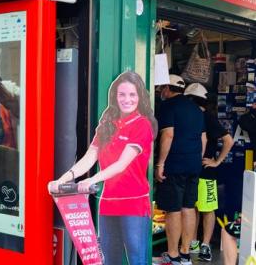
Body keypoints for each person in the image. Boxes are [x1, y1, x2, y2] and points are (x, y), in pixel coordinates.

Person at [48, 71, 157, 265]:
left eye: (132, 95)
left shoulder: (142, 125)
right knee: (108, 260)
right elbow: (89, 157)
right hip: (108, 204)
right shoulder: (107, 123)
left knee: (136, 260)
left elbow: (122, 164)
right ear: (115, 96)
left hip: (134, 205)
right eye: (122, 94)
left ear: (140, 97)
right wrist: (63, 179)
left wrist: (91, 180)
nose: (127, 99)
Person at [155, 74, 206, 265]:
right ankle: (186, 254)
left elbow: (168, 135)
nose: (161, 92)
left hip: (175, 164)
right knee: (188, 206)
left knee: (173, 209)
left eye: (162, 88)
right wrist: (196, 159)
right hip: (193, 164)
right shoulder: (196, 109)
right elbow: (203, 139)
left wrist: (160, 163)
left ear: (168, 89)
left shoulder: (168, 106)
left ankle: (173, 254)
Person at [184, 83, 233, 262]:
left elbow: (228, 140)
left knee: (207, 208)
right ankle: (195, 242)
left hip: (206, 170)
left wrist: (216, 161)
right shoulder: (195, 115)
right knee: (194, 207)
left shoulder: (207, 117)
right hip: (192, 168)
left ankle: (205, 244)